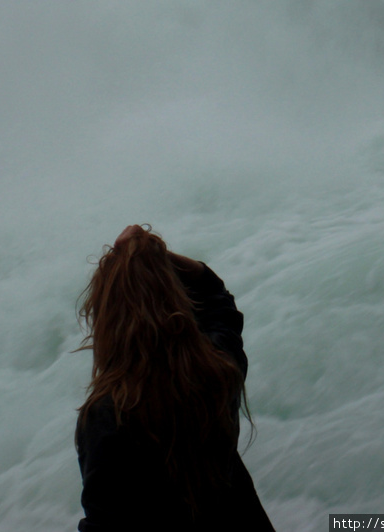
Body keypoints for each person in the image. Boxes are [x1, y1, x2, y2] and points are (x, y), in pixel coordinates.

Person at [75, 225, 276, 532]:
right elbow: (215, 298)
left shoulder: (107, 416)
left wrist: (135, 261)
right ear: (176, 303)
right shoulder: (217, 373)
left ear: (106, 323)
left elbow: (105, 524)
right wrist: (154, 256)